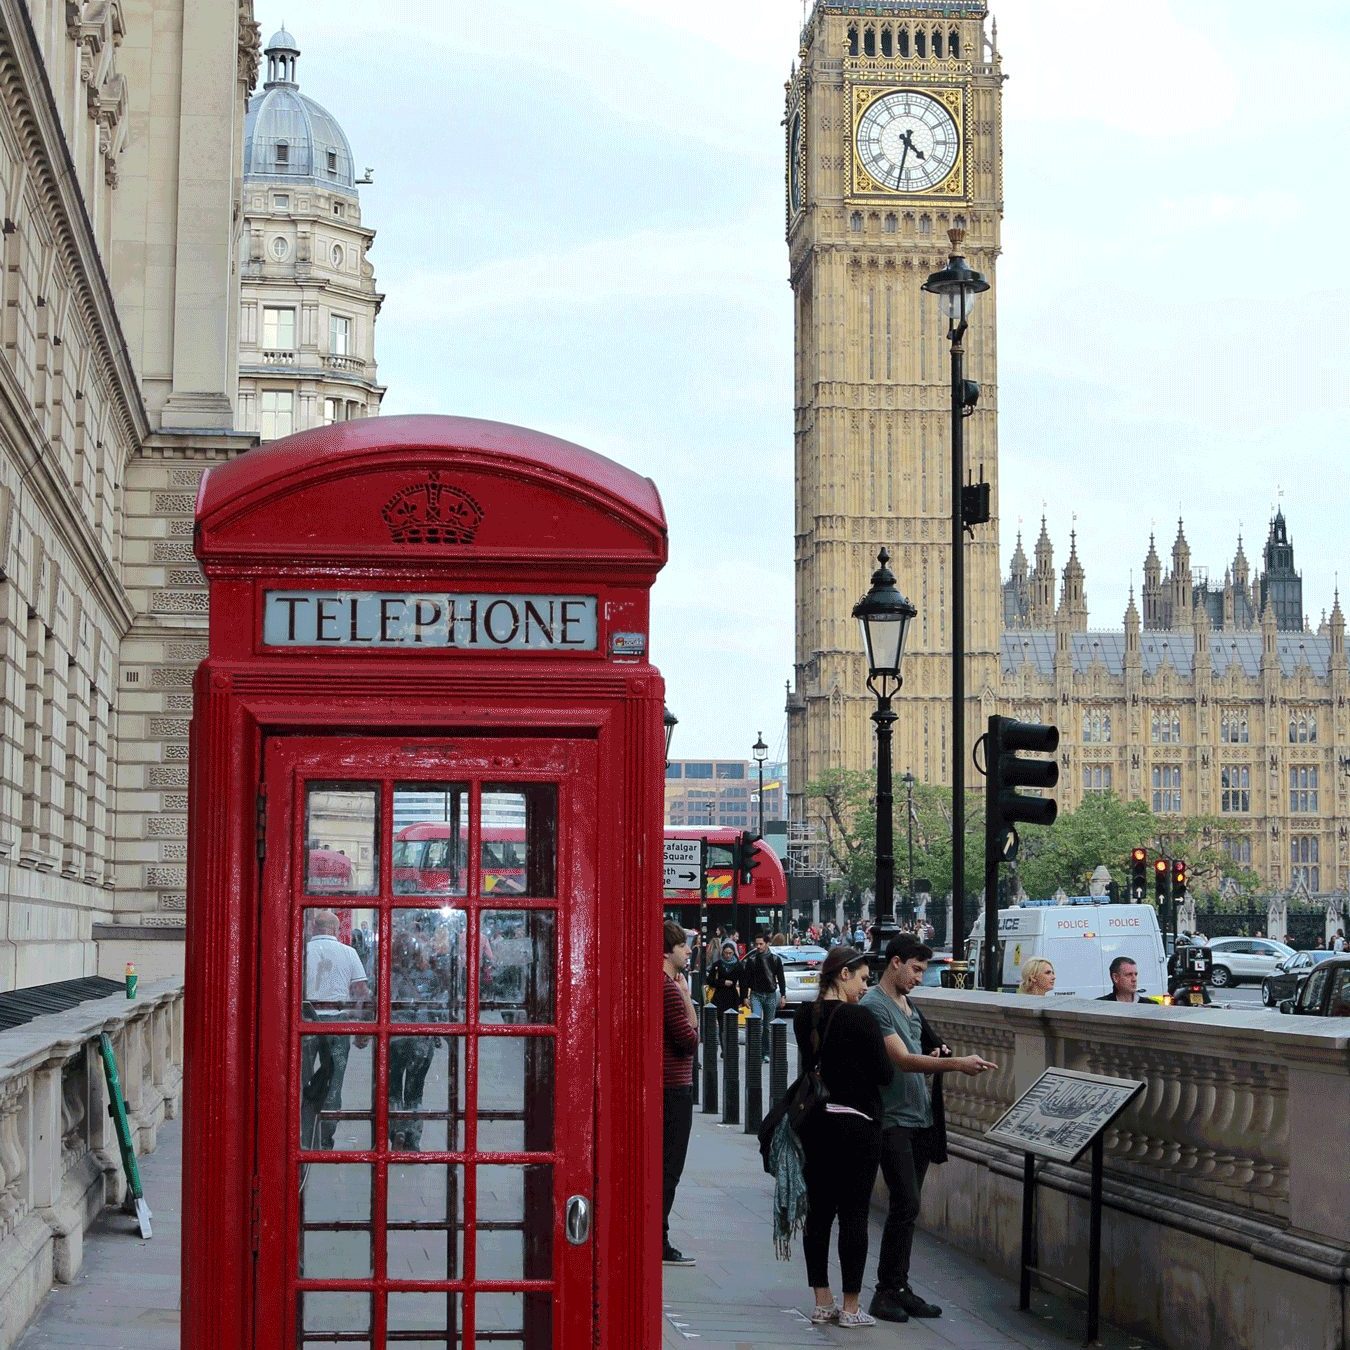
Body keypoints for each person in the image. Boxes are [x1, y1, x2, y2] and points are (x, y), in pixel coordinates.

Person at [861, 936, 997, 1323]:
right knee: (906, 1202)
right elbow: (902, 1059)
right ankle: (886, 1290)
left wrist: (937, 1055)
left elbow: (917, 1049)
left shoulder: (907, 1005)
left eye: (923, 970)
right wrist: (956, 1065)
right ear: (895, 963)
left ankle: (898, 1286)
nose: (920, 977)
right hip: (892, 1119)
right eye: (916, 969)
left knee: (909, 1205)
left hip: (918, 1116)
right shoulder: (875, 1006)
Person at [794, 946, 893, 1328]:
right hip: (856, 1126)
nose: (865, 987)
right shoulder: (860, 1018)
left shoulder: (806, 1015)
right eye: (864, 979)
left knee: (819, 1213)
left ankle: (822, 1301)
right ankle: (851, 1306)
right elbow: (884, 1074)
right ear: (844, 974)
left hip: (817, 1124)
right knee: (854, 1215)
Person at [300, 909, 370, 1150]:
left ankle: (304, 1137)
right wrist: (362, 1028)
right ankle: (326, 1139)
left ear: (314, 928)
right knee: (334, 1082)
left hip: (306, 1023)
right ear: (337, 930)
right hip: (338, 1025)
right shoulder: (349, 953)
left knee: (303, 1081)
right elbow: (361, 993)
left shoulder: (302, 952)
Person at [662, 920, 699, 1266]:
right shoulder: (670, 990)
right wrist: (687, 998)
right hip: (673, 1090)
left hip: (664, 1087)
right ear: (668, 950)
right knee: (670, 1169)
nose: (688, 951)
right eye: (683, 945)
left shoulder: (655, 984)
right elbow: (689, 1040)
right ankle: (659, 1238)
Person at [744, 931, 787, 1060]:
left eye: (761, 944)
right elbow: (746, 979)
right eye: (756, 944)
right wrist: (745, 996)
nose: (758, 947)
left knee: (768, 1026)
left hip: (770, 995)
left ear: (767, 944)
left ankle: (766, 1052)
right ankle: (756, 1051)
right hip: (756, 994)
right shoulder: (751, 960)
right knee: (755, 1022)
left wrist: (783, 995)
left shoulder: (775, 959)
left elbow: (781, 978)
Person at [706, 939, 746, 1049]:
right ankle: (724, 1048)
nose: (728, 955)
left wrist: (744, 999)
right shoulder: (717, 965)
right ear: (722, 952)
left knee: (732, 1025)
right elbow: (709, 980)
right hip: (719, 997)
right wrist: (723, 982)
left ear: (734, 953)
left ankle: (731, 1047)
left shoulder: (738, 966)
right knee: (722, 1025)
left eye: (730, 953)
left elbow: (743, 983)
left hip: (732, 997)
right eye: (726, 953)